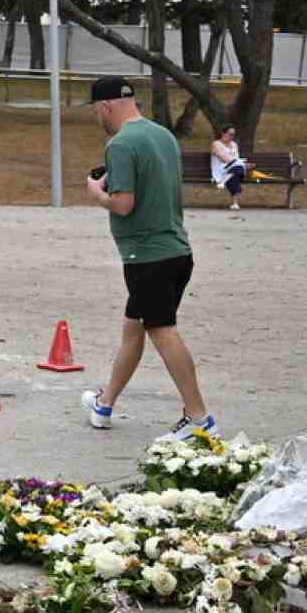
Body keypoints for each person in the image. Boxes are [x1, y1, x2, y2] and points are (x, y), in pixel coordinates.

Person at [79, 76, 216, 441]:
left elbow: (123, 204)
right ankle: (105, 404)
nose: (97, 117)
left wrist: (97, 193)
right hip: (176, 251)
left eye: (96, 110)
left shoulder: (120, 143)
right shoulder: (162, 135)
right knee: (133, 328)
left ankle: (198, 418)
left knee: (161, 329)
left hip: (147, 256)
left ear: (106, 105)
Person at [209, 125, 250, 211]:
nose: (232, 137)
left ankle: (224, 183)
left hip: (232, 168)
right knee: (238, 170)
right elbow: (223, 159)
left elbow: (235, 158)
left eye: (233, 135)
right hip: (220, 170)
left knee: (236, 171)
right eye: (230, 134)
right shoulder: (216, 144)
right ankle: (235, 203)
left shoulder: (234, 144)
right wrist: (240, 163)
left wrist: (238, 162)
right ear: (223, 133)